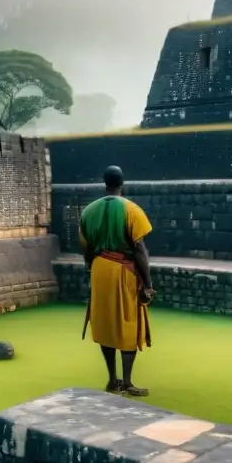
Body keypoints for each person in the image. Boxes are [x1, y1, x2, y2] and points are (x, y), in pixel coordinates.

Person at [79, 165, 155, 397]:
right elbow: (139, 249)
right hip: (123, 269)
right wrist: (148, 284)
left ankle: (113, 380)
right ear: (122, 183)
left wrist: (92, 270)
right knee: (128, 322)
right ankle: (128, 381)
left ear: (105, 183)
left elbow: (86, 249)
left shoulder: (88, 211)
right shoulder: (132, 210)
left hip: (100, 269)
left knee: (106, 324)